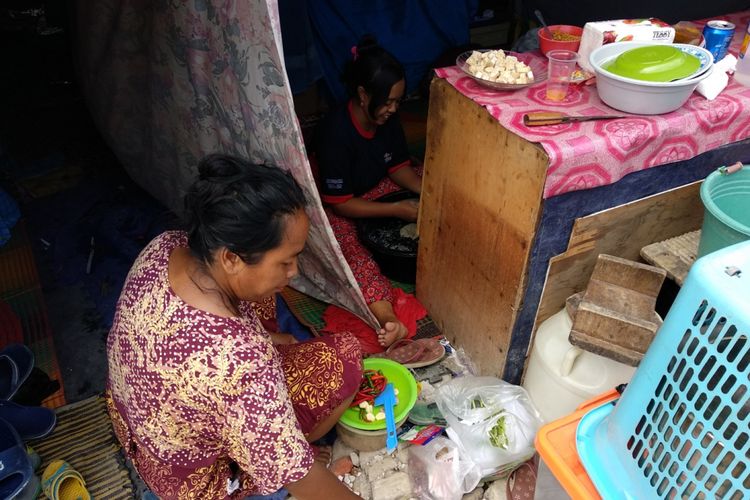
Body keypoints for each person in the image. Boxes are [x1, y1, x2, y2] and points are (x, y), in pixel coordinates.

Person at [106, 154, 363, 500]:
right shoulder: (242, 363)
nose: (294, 272)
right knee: (344, 357)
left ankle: (271, 443)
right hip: (192, 482)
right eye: (285, 260)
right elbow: (302, 480)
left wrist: (268, 339)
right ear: (230, 257)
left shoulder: (164, 246)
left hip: (137, 426)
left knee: (263, 299)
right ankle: (265, 460)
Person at [316, 36, 424, 349]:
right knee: (350, 252)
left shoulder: (386, 120)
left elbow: (399, 168)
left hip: (377, 186)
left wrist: (428, 192)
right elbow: (342, 203)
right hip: (343, 205)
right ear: (363, 95)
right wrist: (396, 210)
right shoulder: (335, 133)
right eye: (387, 101)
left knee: (431, 178)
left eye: (398, 102)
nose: (393, 109)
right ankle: (388, 319)